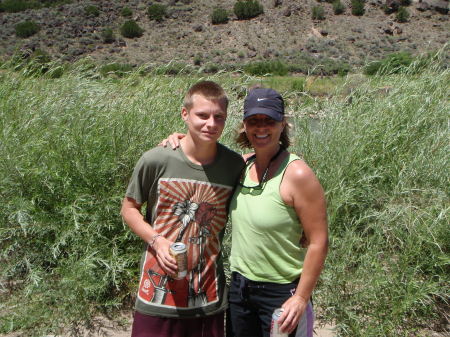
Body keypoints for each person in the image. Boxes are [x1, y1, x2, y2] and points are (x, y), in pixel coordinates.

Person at [162, 87, 329, 337]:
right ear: (245, 126)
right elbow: (202, 156)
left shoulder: (297, 174)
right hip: (240, 290)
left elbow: (319, 241)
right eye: (254, 121)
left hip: (282, 292)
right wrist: (180, 139)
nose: (261, 128)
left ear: (282, 124)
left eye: (269, 121)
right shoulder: (241, 166)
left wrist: (302, 297)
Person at [121, 80, 245, 337]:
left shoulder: (234, 166)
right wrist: (157, 240)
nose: (210, 124)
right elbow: (129, 208)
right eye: (202, 115)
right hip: (156, 297)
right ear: (185, 114)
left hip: (207, 299)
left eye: (218, 117)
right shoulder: (156, 159)